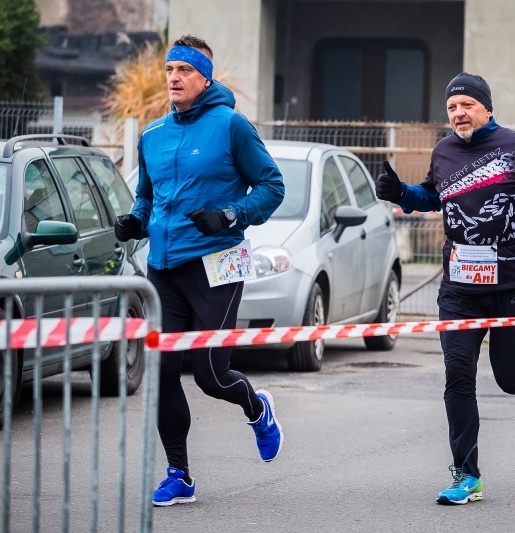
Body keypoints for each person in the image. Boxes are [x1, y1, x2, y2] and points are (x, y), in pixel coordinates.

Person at [375, 72, 515, 504]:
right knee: (458, 378)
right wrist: (401, 193)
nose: (458, 113)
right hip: (460, 287)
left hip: (514, 282)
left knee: (510, 377)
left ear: (486, 107)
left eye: (466, 105)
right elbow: (434, 195)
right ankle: (466, 475)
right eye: (452, 107)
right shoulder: (445, 151)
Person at [114, 35, 286, 506]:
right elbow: (147, 198)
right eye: (169, 69)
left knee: (212, 375)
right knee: (164, 371)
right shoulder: (153, 135)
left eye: (184, 70)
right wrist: (135, 221)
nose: (174, 77)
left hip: (217, 265)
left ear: (205, 77)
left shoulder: (231, 126)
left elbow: (272, 186)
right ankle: (179, 474)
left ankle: (257, 408)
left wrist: (230, 215)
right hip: (163, 270)